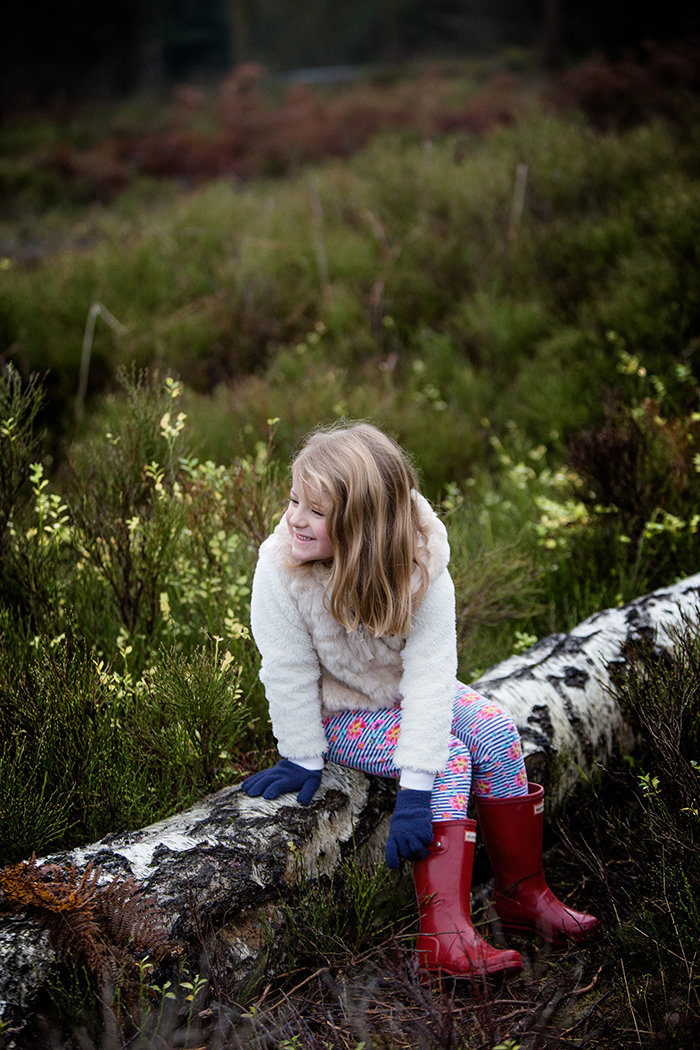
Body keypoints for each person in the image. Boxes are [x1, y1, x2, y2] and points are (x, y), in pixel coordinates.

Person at [242, 422, 599, 977]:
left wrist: (415, 787)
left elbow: (432, 674)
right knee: (452, 759)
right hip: (340, 710)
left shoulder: (422, 562)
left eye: (314, 511)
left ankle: (522, 896)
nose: (293, 518)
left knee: (496, 730)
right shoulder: (280, 566)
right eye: (293, 501)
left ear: (362, 523)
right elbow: (286, 668)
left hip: (402, 693)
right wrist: (301, 754)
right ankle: (444, 935)